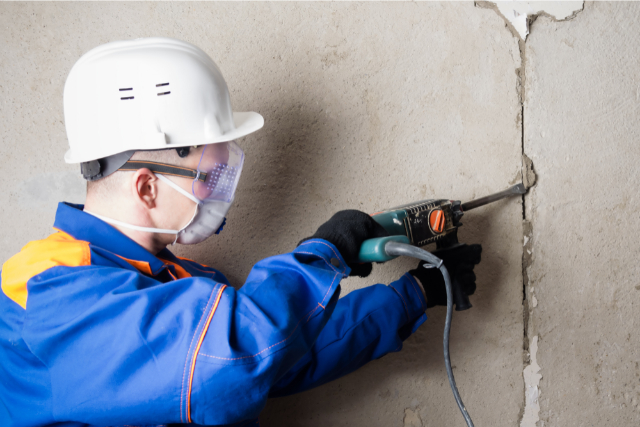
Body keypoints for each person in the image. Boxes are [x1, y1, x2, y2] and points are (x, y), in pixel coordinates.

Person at [0, 37, 481, 427]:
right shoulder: (44, 289)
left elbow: (278, 359)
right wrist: (325, 254)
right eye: (210, 176)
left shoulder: (172, 277)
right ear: (146, 187)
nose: (220, 191)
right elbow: (232, 356)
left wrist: (413, 294)